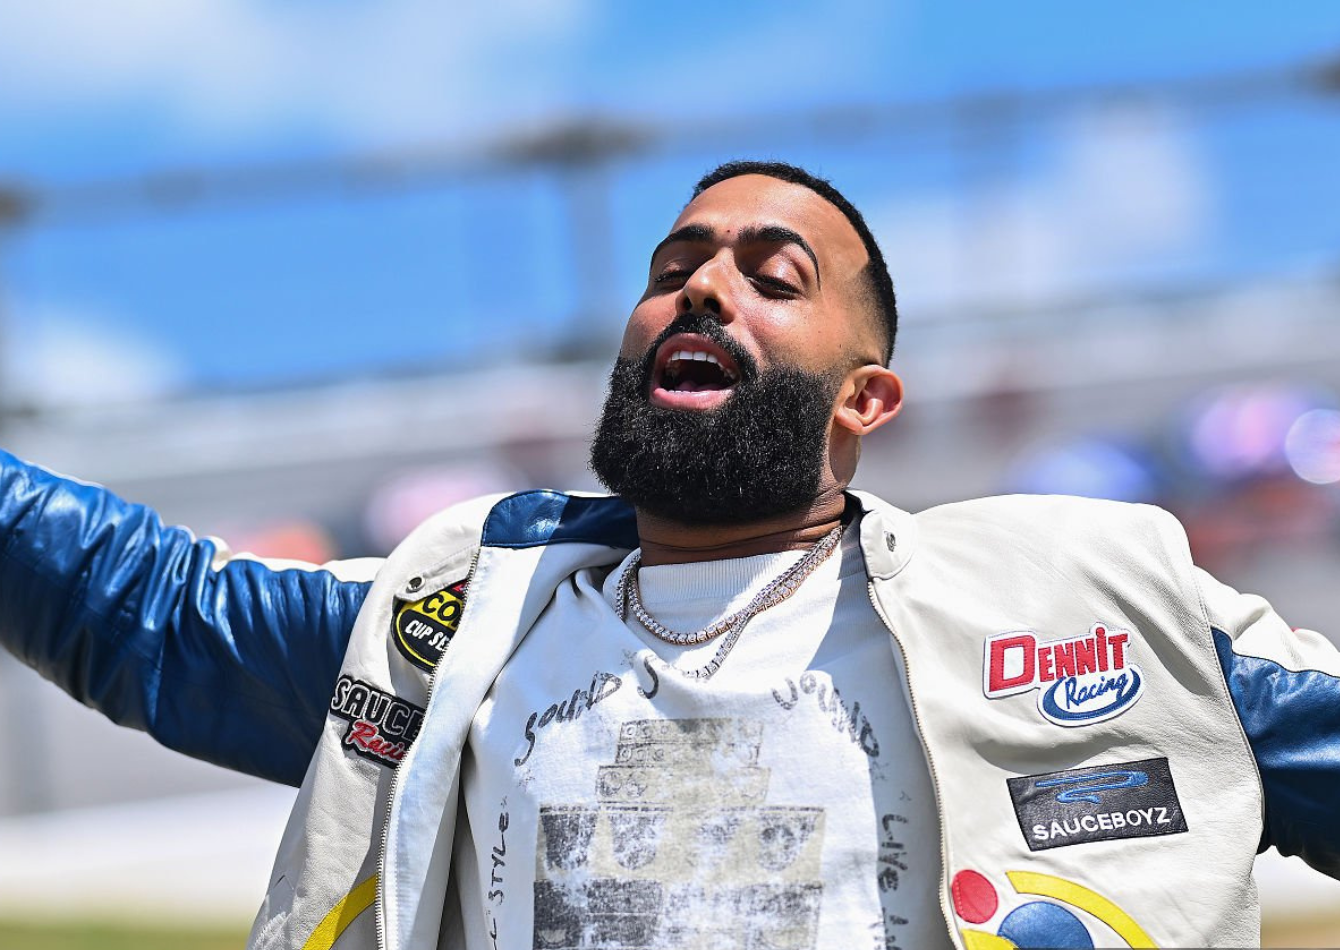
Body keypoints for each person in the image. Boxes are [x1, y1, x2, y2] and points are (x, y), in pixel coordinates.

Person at [0, 160, 1337, 950]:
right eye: (677, 262)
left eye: (774, 272)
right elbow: (152, 617)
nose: (703, 284)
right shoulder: (458, 621)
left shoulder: (1093, 600)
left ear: (865, 400)